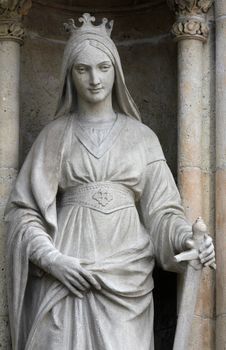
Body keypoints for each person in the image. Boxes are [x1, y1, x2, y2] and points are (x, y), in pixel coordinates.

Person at [5, 13, 215, 350]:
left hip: (126, 278)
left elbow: (162, 213)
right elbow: (22, 214)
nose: (94, 79)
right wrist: (52, 260)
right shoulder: (54, 136)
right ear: (69, 75)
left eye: (103, 67)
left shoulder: (142, 137)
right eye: (82, 69)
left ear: (116, 70)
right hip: (67, 275)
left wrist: (186, 239)